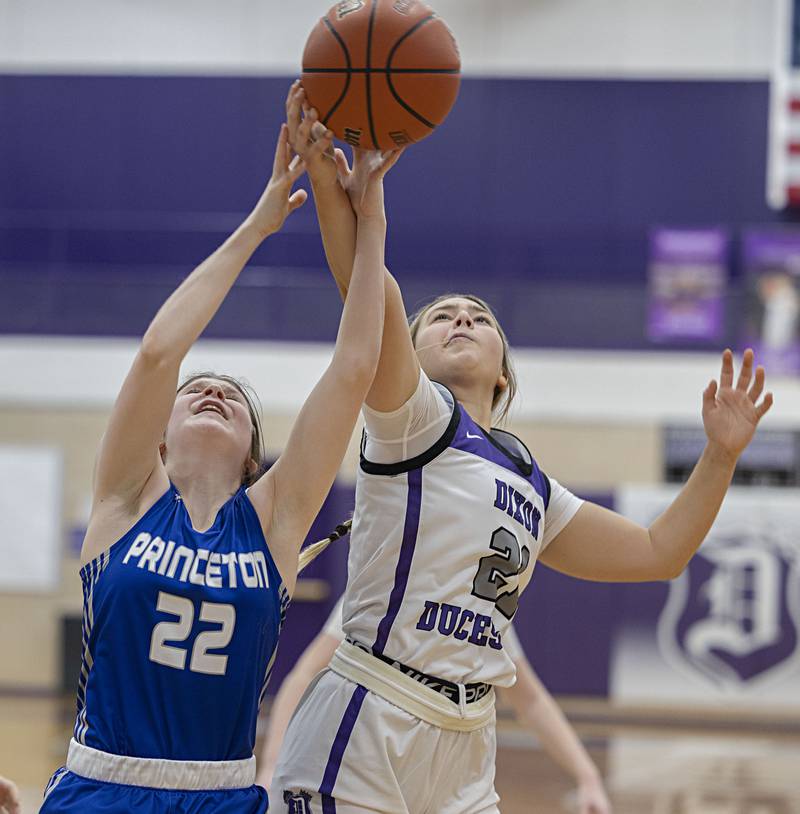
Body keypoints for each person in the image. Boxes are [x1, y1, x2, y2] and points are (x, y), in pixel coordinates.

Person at [271, 83, 774, 814]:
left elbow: (658, 553)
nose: (462, 319)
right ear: (403, 353)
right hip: (371, 718)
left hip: (469, 740)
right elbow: (367, 292)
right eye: (441, 316)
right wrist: (333, 187)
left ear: (504, 368)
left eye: (479, 316)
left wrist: (720, 457)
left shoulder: (533, 481)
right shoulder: (414, 418)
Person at [40, 114, 402, 813]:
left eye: (232, 397)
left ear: (253, 460)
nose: (211, 390)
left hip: (222, 793)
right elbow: (157, 353)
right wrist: (261, 223)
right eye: (196, 393)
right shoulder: (125, 502)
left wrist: (370, 217)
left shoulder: (273, 520)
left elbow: (357, 367)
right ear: (159, 442)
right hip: (100, 789)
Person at [257, 597, 612, 814]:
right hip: (369, 763)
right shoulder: (385, 581)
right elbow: (304, 674)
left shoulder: (486, 604)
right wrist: (271, 764)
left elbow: (530, 699)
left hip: (450, 779)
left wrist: (588, 777)